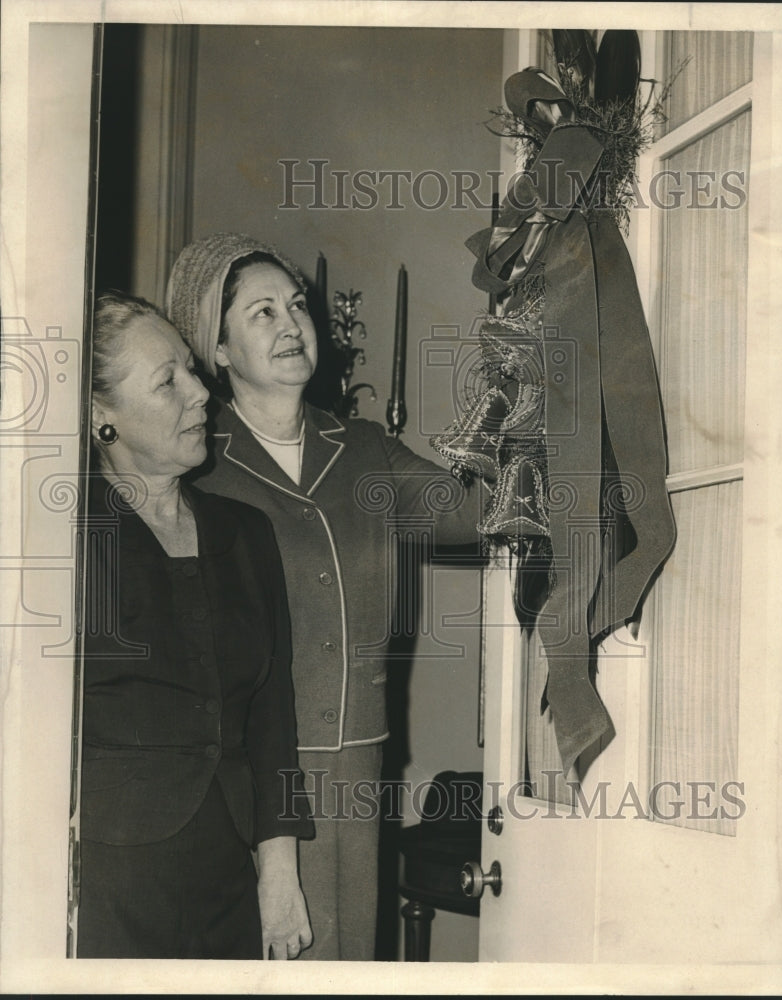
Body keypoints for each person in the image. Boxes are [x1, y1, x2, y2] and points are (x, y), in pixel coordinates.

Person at [165, 233, 484, 961]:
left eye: (297, 305)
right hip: (241, 768)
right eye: (261, 313)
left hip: (356, 760)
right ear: (216, 351)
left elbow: (469, 511)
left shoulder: (365, 448)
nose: (290, 323)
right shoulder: (195, 460)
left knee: (345, 957)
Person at [77, 291, 313, 959]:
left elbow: (274, 718)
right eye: (167, 380)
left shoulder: (245, 535)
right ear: (103, 416)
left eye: (191, 367)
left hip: (228, 874)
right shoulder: (60, 544)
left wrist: (281, 873)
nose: (201, 393)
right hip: (104, 882)